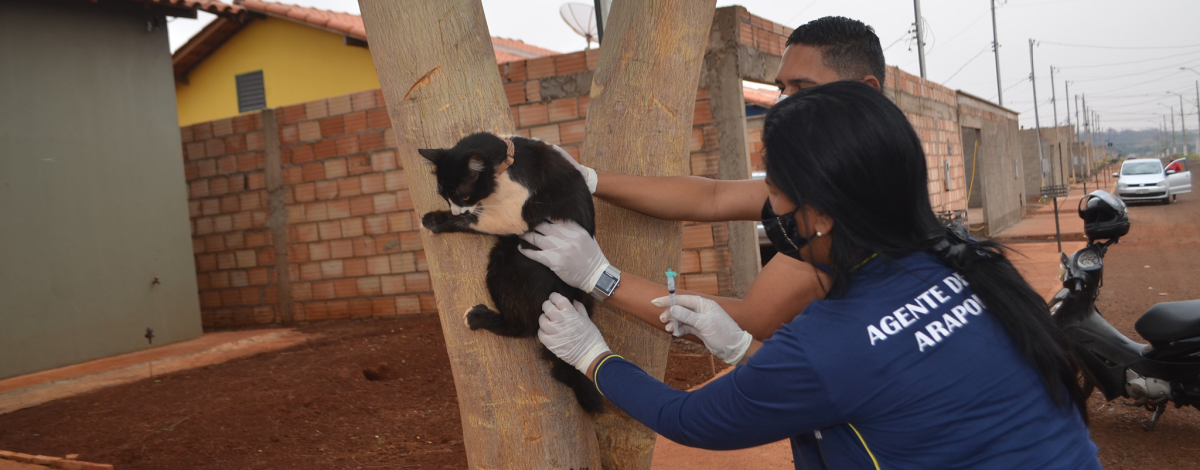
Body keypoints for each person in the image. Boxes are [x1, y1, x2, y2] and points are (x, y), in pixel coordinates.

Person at [532, 82, 1101, 469]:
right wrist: (741, 350)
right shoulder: (970, 259)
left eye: (774, 192)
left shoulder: (831, 340)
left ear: (824, 213)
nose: (768, 207)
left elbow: (691, 419)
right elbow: (883, 377)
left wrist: (592, 355)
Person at [525, 16, 889, 356]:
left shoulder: (854, 200)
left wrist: (600, 279)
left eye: (803, 88)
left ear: (864, 90)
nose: (784, 103)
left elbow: (750, 321)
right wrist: (587, 178)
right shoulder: (841, 169)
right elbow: (712, 197)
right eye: (782, 88)